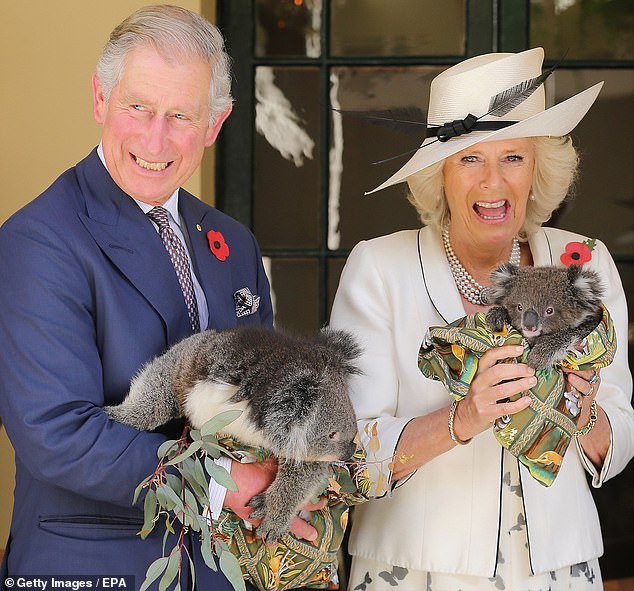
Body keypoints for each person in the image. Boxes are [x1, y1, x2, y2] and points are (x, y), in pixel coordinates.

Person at [0, 5, 321, 588]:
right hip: (95, 569)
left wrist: (295, 474)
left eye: (180, 116)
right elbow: (55, 432)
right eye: (138, 108)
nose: (155, 138)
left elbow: (261, 403)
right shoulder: (39, 240)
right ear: (100, 99)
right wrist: (222, 479)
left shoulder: (233, 242)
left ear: (214, 124)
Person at [330, 47, 634, 590]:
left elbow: (618, 435)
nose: (493, 183)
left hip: (556, 574)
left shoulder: (584, 260)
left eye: (512, 158)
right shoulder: (378, 268)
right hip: (416, 573)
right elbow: (349, 449)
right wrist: (463, 418)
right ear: (439, 174)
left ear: (538, 168)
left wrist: (583, 412)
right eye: (470, 159)